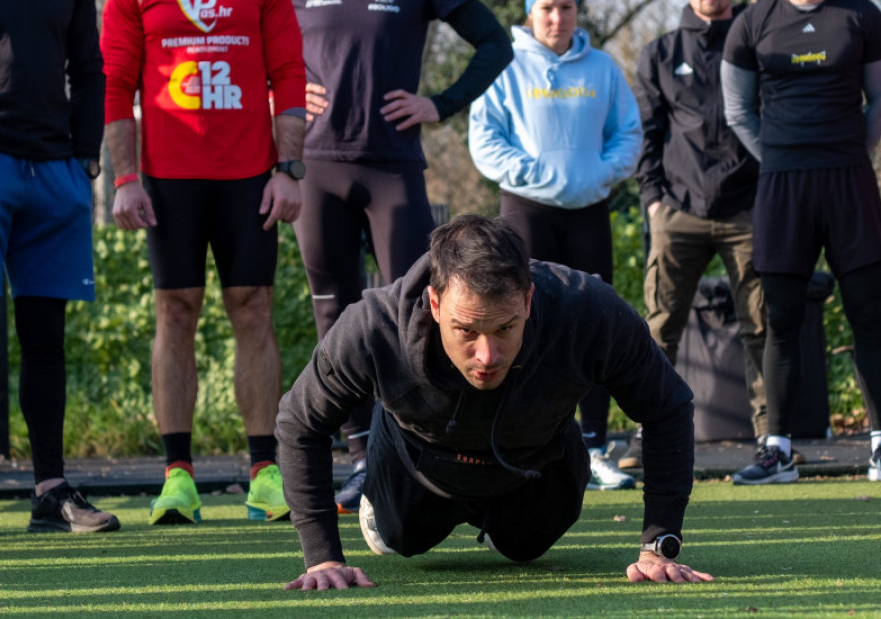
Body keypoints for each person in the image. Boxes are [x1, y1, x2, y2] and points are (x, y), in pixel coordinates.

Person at [276, 214, 714, 591]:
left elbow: (668, 407)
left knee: (527, 547)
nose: (487, 356)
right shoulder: (374, 326)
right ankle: (386, 502)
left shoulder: (587, 310)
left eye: (504, 328)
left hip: (534, 458)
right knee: (402, 539)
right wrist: (322, 557)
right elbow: (300, 423)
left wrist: (659, 544)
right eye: (466, 330)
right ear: (433, 303)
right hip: (416, 464)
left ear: (527, 300)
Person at [278, 0, 512, 512]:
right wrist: (279, 98)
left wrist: (438, 103)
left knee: (417, 307)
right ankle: (355, 452)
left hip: (394, 170)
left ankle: (418, 443)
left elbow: (495, 44)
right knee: (335, 306)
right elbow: (246, 54)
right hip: (317, 167)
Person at [101, 0, 307, 523]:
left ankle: (265, 472)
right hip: (168, 180)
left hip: (249, 178)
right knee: (176, 313)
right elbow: (115, 89)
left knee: (253, 309)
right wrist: (126, 177)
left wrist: (290, 169)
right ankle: (177, 477)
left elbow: (288, 78)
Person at [0, 0, 118, 533]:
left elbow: (88, 68)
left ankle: (51, 492)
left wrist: (87, 152)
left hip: (56, 173)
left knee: (46, 338)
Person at [722, 0, 881, 484]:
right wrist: (785, 158)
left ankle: (880, 444)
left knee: (870, 312)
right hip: (782, 188)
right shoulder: (752, 23)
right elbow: (738, 110)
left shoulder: (861, 14)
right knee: (781, 322)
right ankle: (779, 451)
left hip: (849, 181)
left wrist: (846, 153)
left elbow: (878, 100)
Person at [468, 0, 642, 490]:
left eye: (566, 7)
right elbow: (485, 138)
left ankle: (593, 446)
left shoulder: (602, 68)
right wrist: (537, 174)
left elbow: (627, 133)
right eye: (547, 8)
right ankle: (524, 444)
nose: (557, 17)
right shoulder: (505, 65)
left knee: (593, 324)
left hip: (588, 211)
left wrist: (599, 173)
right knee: (523, 324)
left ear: (576, 12)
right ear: (530, 13)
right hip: (527, 211)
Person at [624, 0, 767, 470]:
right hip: (678, 211)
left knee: (762, 327)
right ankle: (648, 436)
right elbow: (647, 134)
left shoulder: (755, 44)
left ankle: (770, 441)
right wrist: (654, 200)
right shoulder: (659, 53)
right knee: (660, 331)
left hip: (747, 211)